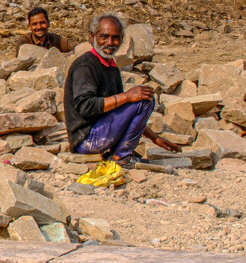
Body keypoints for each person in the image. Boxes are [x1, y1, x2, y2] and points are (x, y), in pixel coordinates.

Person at [64, 13, 180, 168]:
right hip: (87, 139)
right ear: (93, 37)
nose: (110, 43)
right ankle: (121, 157)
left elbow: (123, 112)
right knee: (145, 100)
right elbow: (86, 106)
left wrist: (155, 138)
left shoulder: (110, 65)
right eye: (104, 37)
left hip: (101, 133)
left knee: (142, 96)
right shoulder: (86, 66)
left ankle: (119, 154)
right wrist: (126, 97)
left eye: (115, 38)